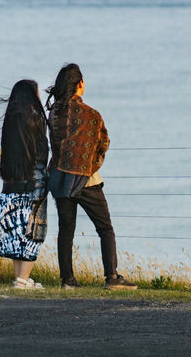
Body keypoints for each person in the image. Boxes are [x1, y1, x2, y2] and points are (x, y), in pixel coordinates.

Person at [46, 63, 137, 290]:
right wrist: (89, 167)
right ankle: (112, 277)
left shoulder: (54, 112)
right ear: (80, 85)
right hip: (87, 180)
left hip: (60, 178)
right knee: (105, 228)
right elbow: (103, 144)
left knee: (66, 230)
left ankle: (67, 280)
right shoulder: (92, 115)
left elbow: (54, 145)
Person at [0, 80, 49, 289]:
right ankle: (23, 280)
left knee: (18, 232)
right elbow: (42, 153)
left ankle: (20, 278)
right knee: (33, 233)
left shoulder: (9, 121)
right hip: (33, 183)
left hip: (11, 184)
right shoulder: (36, 120)